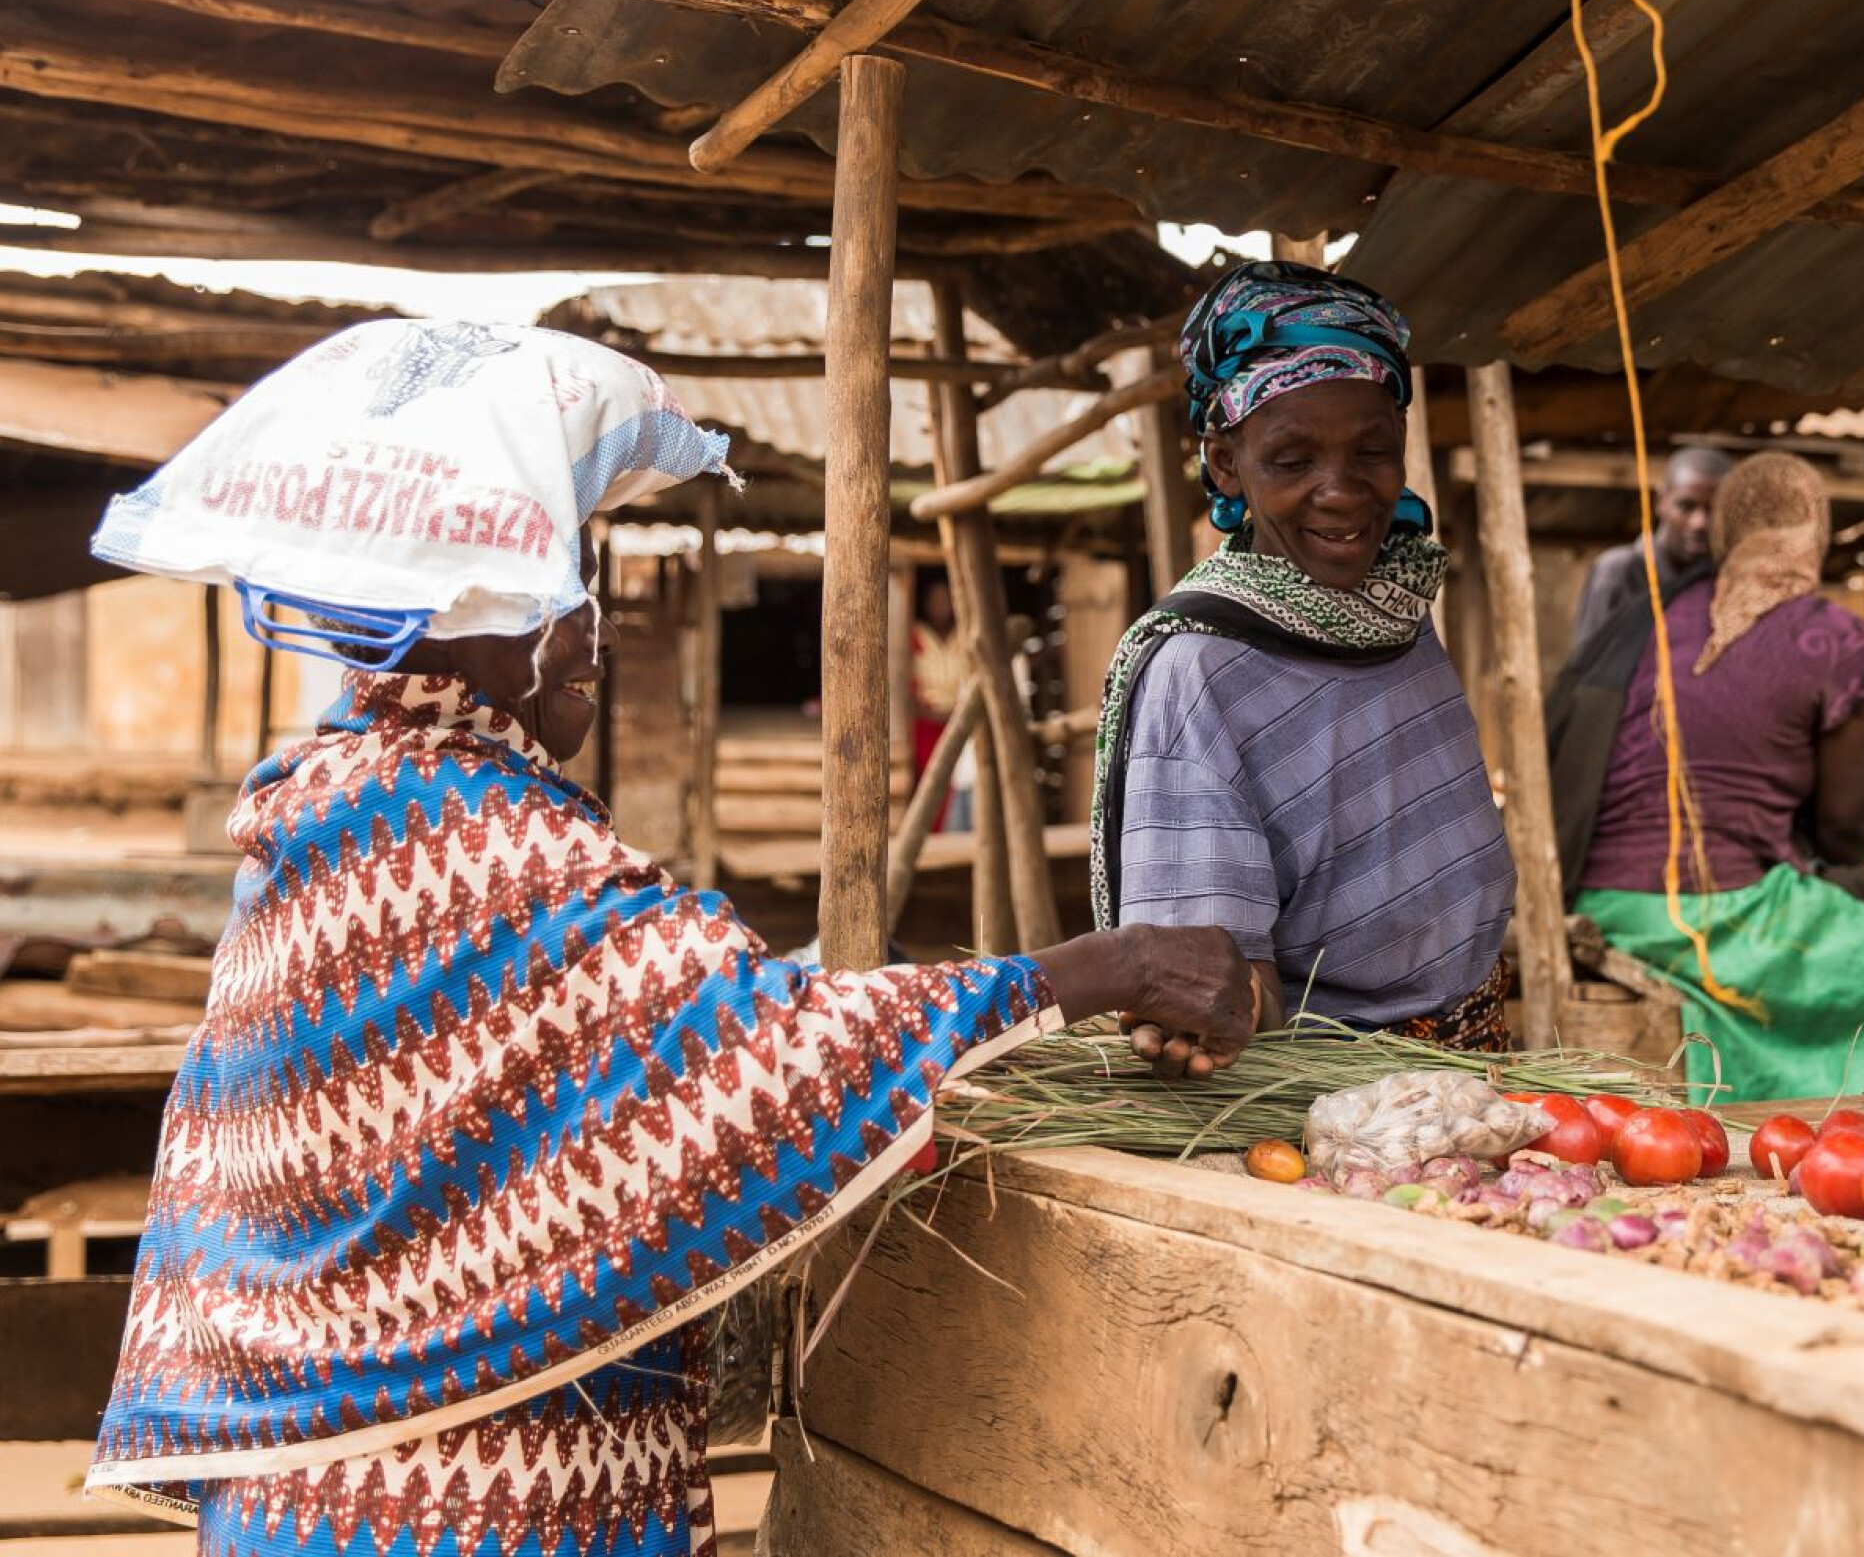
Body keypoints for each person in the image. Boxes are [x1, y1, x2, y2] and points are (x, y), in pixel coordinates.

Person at [78, 322, 1253, 1552]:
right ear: (469, 610)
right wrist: (1108, 965)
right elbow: (753, 1058)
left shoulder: (335, 803)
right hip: (464, 1505)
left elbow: (607, 1038)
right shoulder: (475, 835)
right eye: (563, 581)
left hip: (310, 1499)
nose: (594, 627)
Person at [1090, 260, 1519, 1057]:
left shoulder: (1391, 603)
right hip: (1348, 1096)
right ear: (1226, 462)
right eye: (1292, 461)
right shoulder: (1200, 670)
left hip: (1477, 1060)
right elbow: (1210, 985)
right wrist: (1218, 1007)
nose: (1342, 490)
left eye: (1373, 451)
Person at [1548, 451, 1864, 1100]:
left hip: (1605, 900)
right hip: (1721, 916)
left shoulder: (1648, 618)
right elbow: (1844, 831)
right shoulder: (1838, 638)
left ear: (1724, 532)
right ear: (1817, 535)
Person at [1571, 445, 1731, 644]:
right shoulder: (1619, 573)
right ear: (1661, 501)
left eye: (1713, 510)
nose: (1699, 523)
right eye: (1686, 506)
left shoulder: (1728, 580)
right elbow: (1592, 659)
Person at [908, 571, 970, 830]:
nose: (941, 606)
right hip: (926, 723)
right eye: (935, 601)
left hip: (959, 720)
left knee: (959, 780)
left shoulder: (964, 636)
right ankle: (930, 835)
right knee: (930, 779)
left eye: (945, 600)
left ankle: (952, 834)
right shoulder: (915, 635)